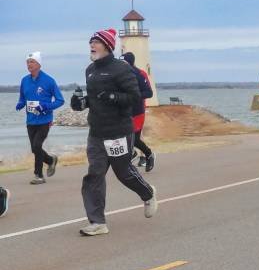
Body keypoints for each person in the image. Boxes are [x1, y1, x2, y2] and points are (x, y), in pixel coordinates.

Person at [71, 28, 157, 236]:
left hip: (118, 132)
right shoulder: (90, 70)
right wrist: (80, 103)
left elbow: (134, 97)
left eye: (96, 42)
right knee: (94, 175)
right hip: (96, 132)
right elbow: (94, 99)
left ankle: (147, 193)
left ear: (107, 46)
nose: (92, 45)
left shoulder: (121, 69)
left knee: (123, 173)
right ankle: (97, 222)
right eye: (90, 42)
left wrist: (112, 97)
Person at [15, 51, 64, 184]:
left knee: (37, 146)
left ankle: (39, 176)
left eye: (32, 62)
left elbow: (60, 100)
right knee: (34, 149)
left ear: (39, 64)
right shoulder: (24, 80)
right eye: (27, 62)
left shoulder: (49, 81)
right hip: (30, 121)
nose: (29, 64)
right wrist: (21, 103)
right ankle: (51, 160)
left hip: (45, 120)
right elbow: (22, 97)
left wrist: (46, 106)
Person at [120, 52, 156, 171]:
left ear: (130, 63)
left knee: (134, 139)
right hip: (123, 111)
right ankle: (133, 153)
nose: (120, 64)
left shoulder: (140, 74)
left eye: (123, 62)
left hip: (137, 111)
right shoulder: (118, 74)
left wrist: (134, 95)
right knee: (121, 136)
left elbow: (149, 93)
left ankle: (149, 155)